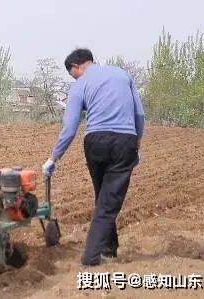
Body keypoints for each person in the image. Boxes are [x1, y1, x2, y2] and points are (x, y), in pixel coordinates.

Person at [42, 48, 145, 266]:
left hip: (95, 143)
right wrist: (136, 142)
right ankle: (91, 257)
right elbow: (139, 114)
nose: (74, 78)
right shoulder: (123, 75)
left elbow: (70, 128)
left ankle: (108, 249)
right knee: (108, 202)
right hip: (124, 140)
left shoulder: (80, 85)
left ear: (77, 67)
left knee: (104, 198)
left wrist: (53, 158)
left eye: (72, 74)